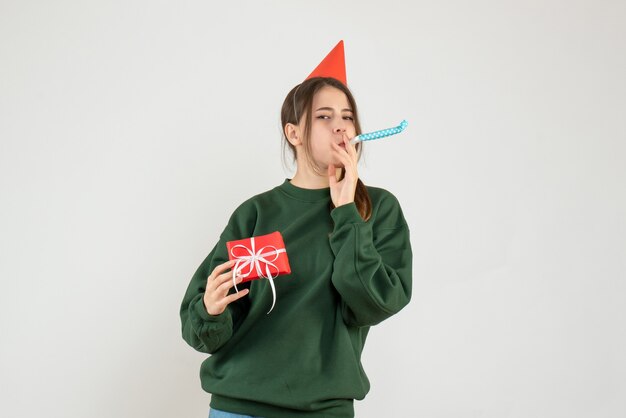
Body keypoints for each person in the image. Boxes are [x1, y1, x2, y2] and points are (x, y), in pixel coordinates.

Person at [180, 41, 413, 418]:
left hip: (324, 409)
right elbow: (204, 328)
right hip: (239, 406)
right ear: (294, 133)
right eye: (324, 116)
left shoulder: (378, 209)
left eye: (347, 116)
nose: (339, 125)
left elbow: (373, 303)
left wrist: (346, 212)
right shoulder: (256, 213)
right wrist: (210, 309)